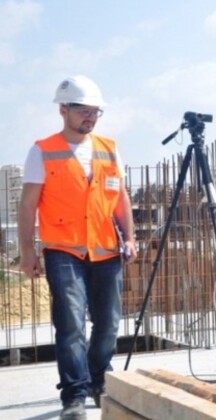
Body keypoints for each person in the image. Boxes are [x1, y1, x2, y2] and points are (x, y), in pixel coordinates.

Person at [18, 75, 138, 419]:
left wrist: (129, 237)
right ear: (63, 110)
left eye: (95, 112)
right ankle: (73, 394)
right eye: (83, 111)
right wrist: (28, 252)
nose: (90, 117)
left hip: (105, 249)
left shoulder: (108, 147)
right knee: (70, 323)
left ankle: (99, 378)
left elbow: (120, 198)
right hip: (63, 251)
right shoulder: (42, 150)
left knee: (109, 323)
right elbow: (27, 205)